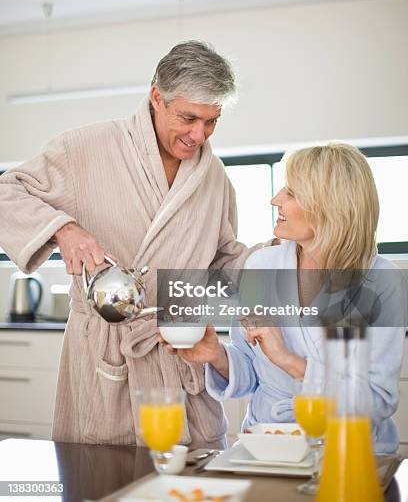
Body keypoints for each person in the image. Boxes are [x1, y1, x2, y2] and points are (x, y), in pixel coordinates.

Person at [0, 41, 252, 449]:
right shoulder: (84, 149)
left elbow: (222, 259)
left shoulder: (214, 176)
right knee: (104, 479)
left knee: (192, 485)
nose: (199, 135)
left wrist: (285, 266)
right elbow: (7, 193)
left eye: (211, 121)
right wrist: (62, 228)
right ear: (157, 97)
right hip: (108, 356)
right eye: (188, 118)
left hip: (178, 357)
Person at [164, 143, 406, 453]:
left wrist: (289, 361)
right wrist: (216, 356)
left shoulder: (381, 281)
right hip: (269, 444)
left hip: (348, 451)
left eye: (290, 193)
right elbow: (250, 369)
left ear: (328, 205)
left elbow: (378, 401)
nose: (274, 199)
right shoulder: (262, 265)